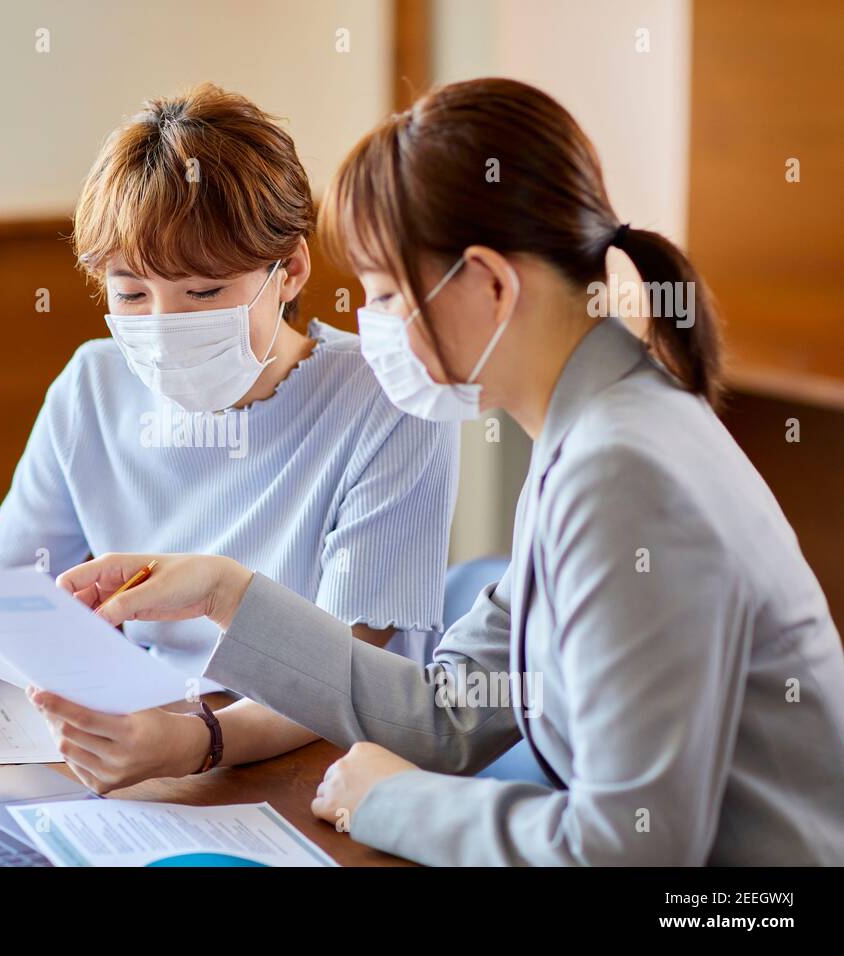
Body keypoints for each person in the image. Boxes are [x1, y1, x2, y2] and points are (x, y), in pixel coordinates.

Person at [51, 78, 844, 864]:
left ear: (491, 285)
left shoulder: (622, 473)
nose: (374, 327)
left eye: (390, 294)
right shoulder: (592, 434)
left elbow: (628, 850)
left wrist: (393, 803)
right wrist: (225, 591)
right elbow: (449, 715)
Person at [0, 84, 458, 791]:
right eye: (132, 294)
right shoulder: (94, 387)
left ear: (290, 269)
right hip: (154, 750)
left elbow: (350, 676)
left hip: (334, 769)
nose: (165, 326)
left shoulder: (391, 402)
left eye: (204, 294)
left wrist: (196, 743)